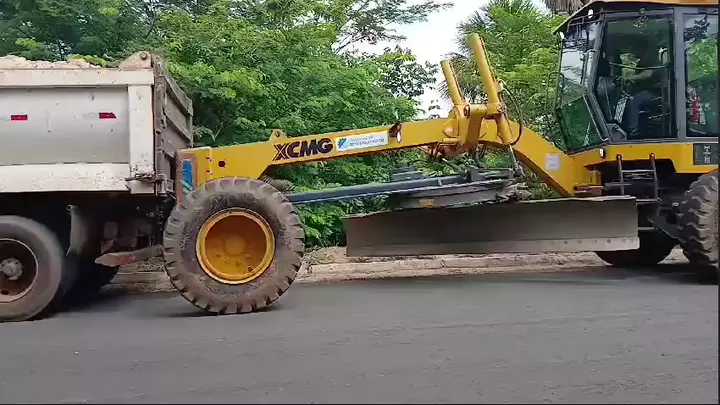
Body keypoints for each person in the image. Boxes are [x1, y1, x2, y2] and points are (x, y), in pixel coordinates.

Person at [624, 44, 662, 138]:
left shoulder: (656, 63)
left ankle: (633, 130)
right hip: (644, 92)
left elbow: (647, 74)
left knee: (635, 101)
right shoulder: (641, 63)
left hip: (655, 93)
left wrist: (630, 78)